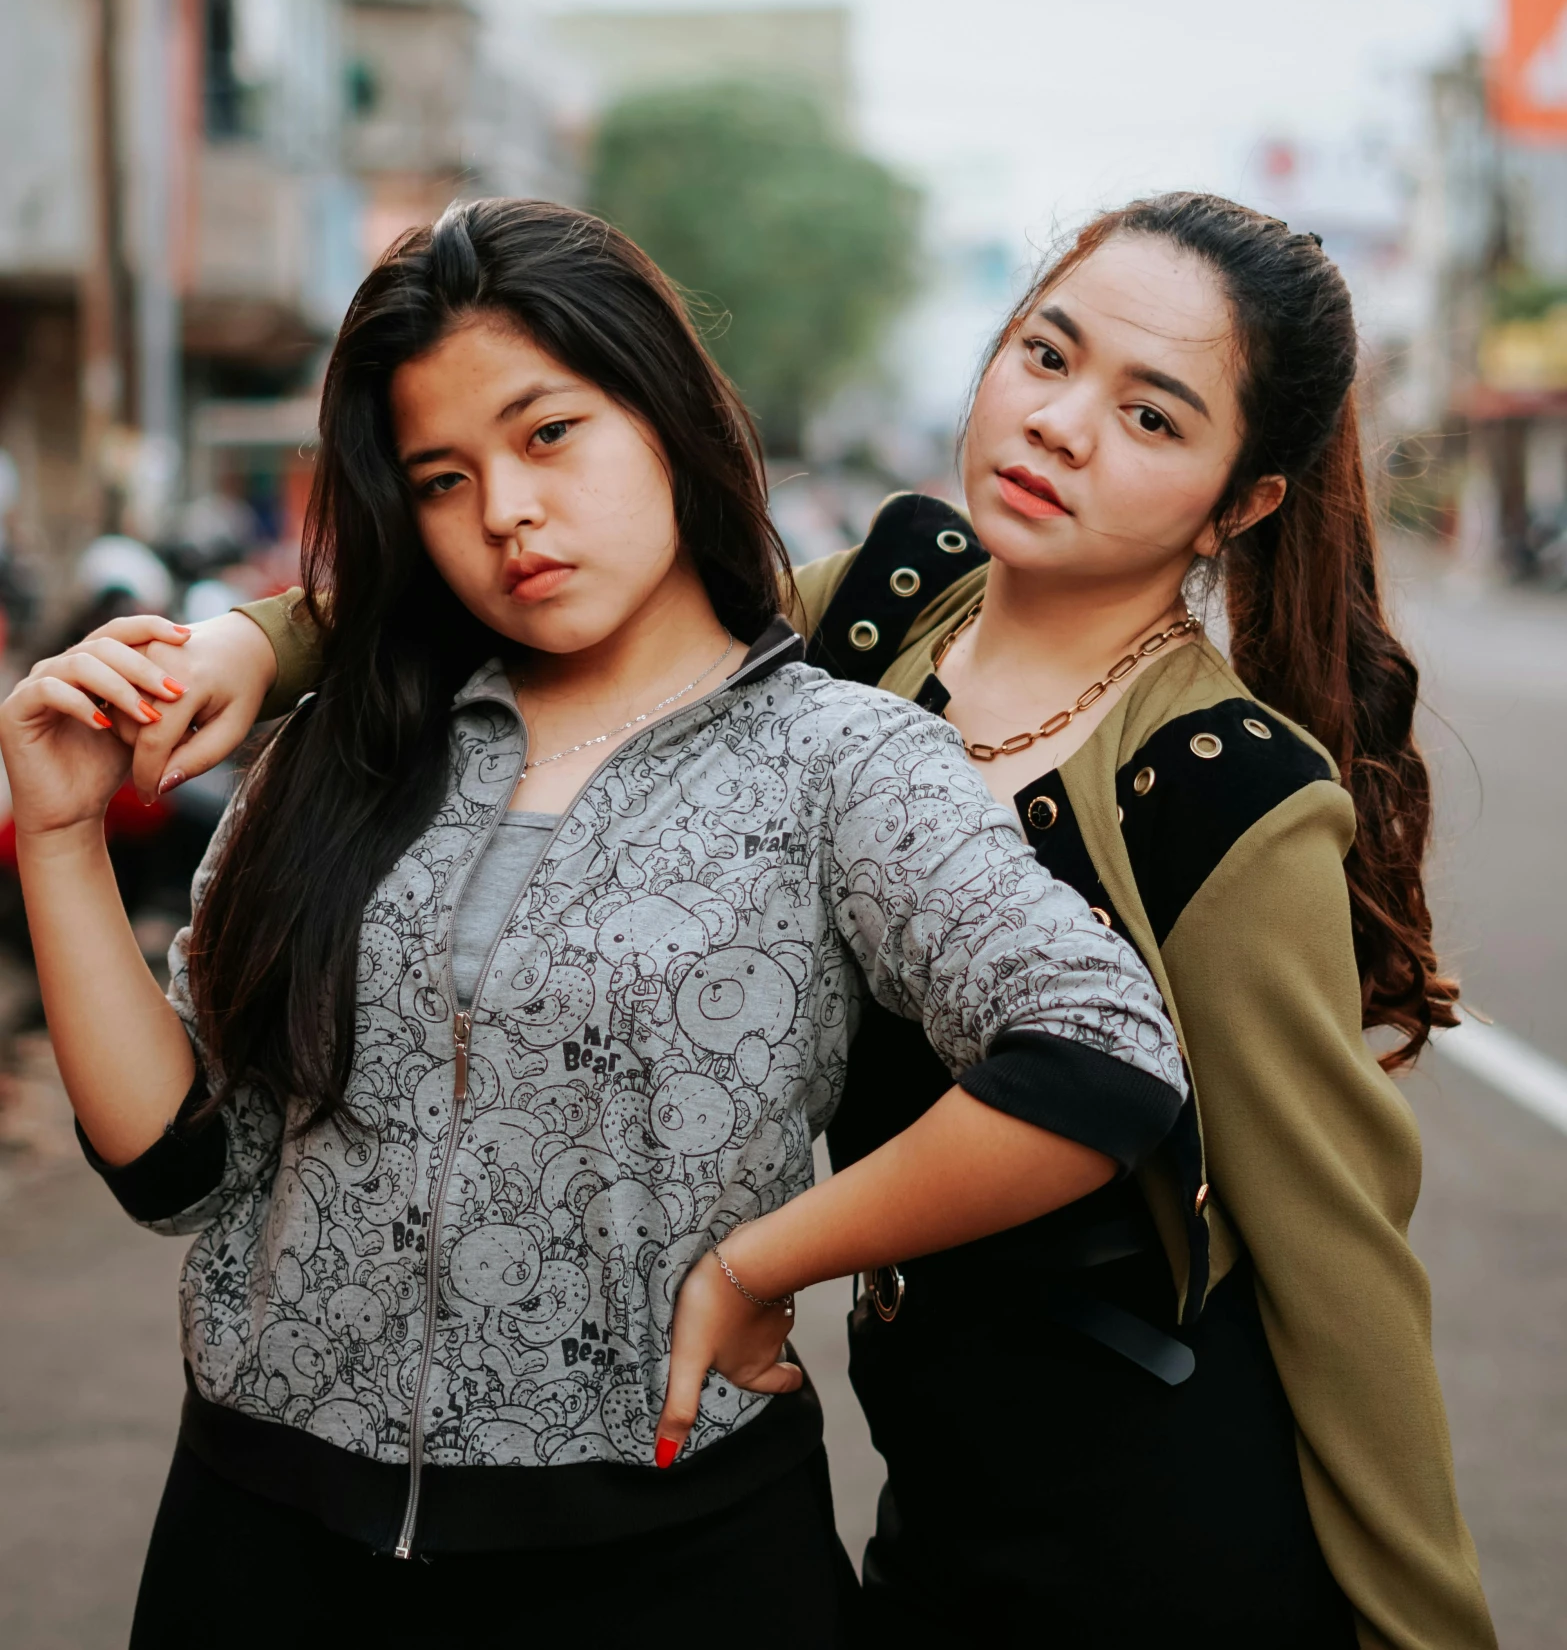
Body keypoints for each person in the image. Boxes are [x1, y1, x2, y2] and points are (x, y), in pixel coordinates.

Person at [143, 193, 1496, 1649]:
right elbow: (563, 584)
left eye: (1153, 418)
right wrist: (255, 634)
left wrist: (1426, 1631)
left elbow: (1337, 1258)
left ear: (1242, 500)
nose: (1060, 426)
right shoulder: (874, 610)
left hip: (1142, 1495)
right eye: (1045, 355)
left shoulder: (1227, 794)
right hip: (927, 1473)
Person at [1, 200, 1185, 1649]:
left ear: (665, 413)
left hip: (661, 1560)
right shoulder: (345, 748)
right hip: (257, 1540)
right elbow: (181, 1164)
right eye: (443, 476)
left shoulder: (839, 763)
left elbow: (1102, 1055)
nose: (504, 507)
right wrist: (58, 838)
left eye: (548, 432)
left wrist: (768, 1261)